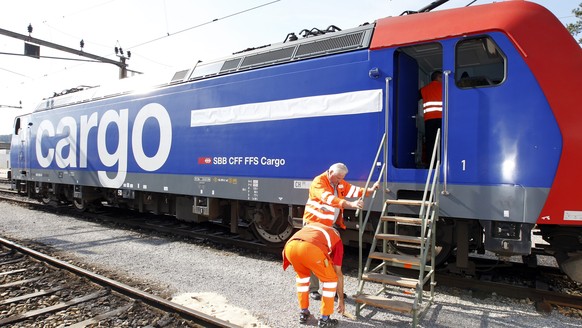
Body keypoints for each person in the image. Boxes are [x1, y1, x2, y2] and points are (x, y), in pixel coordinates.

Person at [302, 163, 379, 300]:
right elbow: (329, 199)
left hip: (329, 226)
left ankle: (331, 289)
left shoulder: (339, 183)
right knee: (314, 256)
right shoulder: (319, 182)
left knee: (330, 258)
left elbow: (354, 190)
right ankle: (313, 289)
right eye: (337, 178)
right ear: (330, 172)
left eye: (341, 178)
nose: (339, 181)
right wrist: (351, 204)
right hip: (314, 225)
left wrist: (370, 190)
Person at [283, 222, 345, 327]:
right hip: (310, 248)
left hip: (290, 247)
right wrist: (341, 299)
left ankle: (304, 313)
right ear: (337, 233)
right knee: (330, 280)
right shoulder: (337, 239)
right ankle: (325, 319)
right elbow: (338, 272)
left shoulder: (316, 227)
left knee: (302, 279)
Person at [420, 70, 442, 161]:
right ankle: (440, 161)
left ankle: (430, 163)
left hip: (428, 120)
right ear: (438, 77)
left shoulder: (423, 89)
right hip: (441, 118)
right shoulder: (444, 87)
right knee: (441, 141)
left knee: (430, 142)